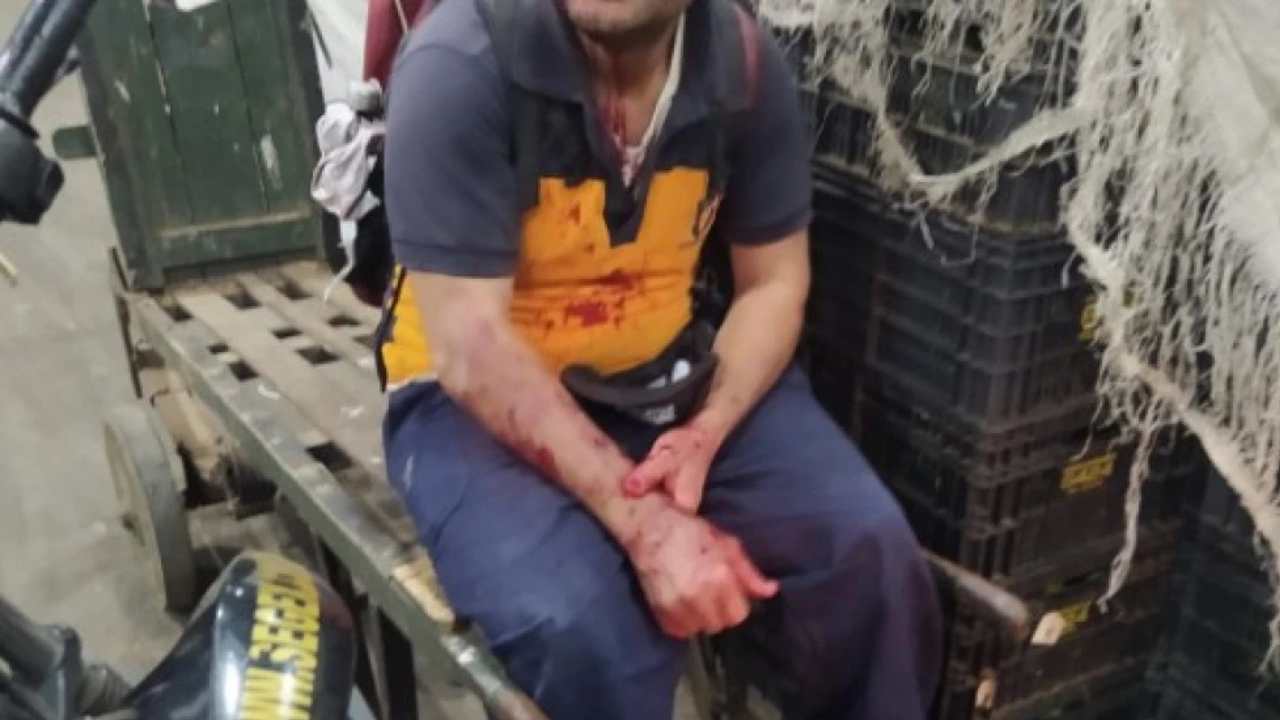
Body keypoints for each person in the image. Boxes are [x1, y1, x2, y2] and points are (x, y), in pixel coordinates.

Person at [378, 0, 942, 717]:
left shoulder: (743, 67)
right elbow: (471, 348)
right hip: (472, 401)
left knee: (869, 559)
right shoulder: (459, 65)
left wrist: (706, 431)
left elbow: (774, 284)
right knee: (587, 631)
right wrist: (645, 526)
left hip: (661, 376)